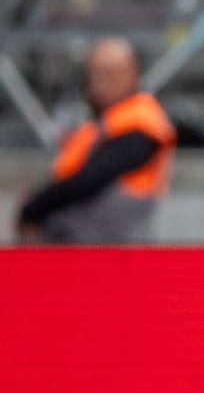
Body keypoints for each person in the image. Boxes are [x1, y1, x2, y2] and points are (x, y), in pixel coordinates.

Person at [16, 36, 175, 243]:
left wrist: (32, 210)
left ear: (133, 75)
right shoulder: (99, 124)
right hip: (73, 244)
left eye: (109, 73)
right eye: (92, 72)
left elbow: (91, 177)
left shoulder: (142, 122)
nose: (97, 81)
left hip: (115, 251)